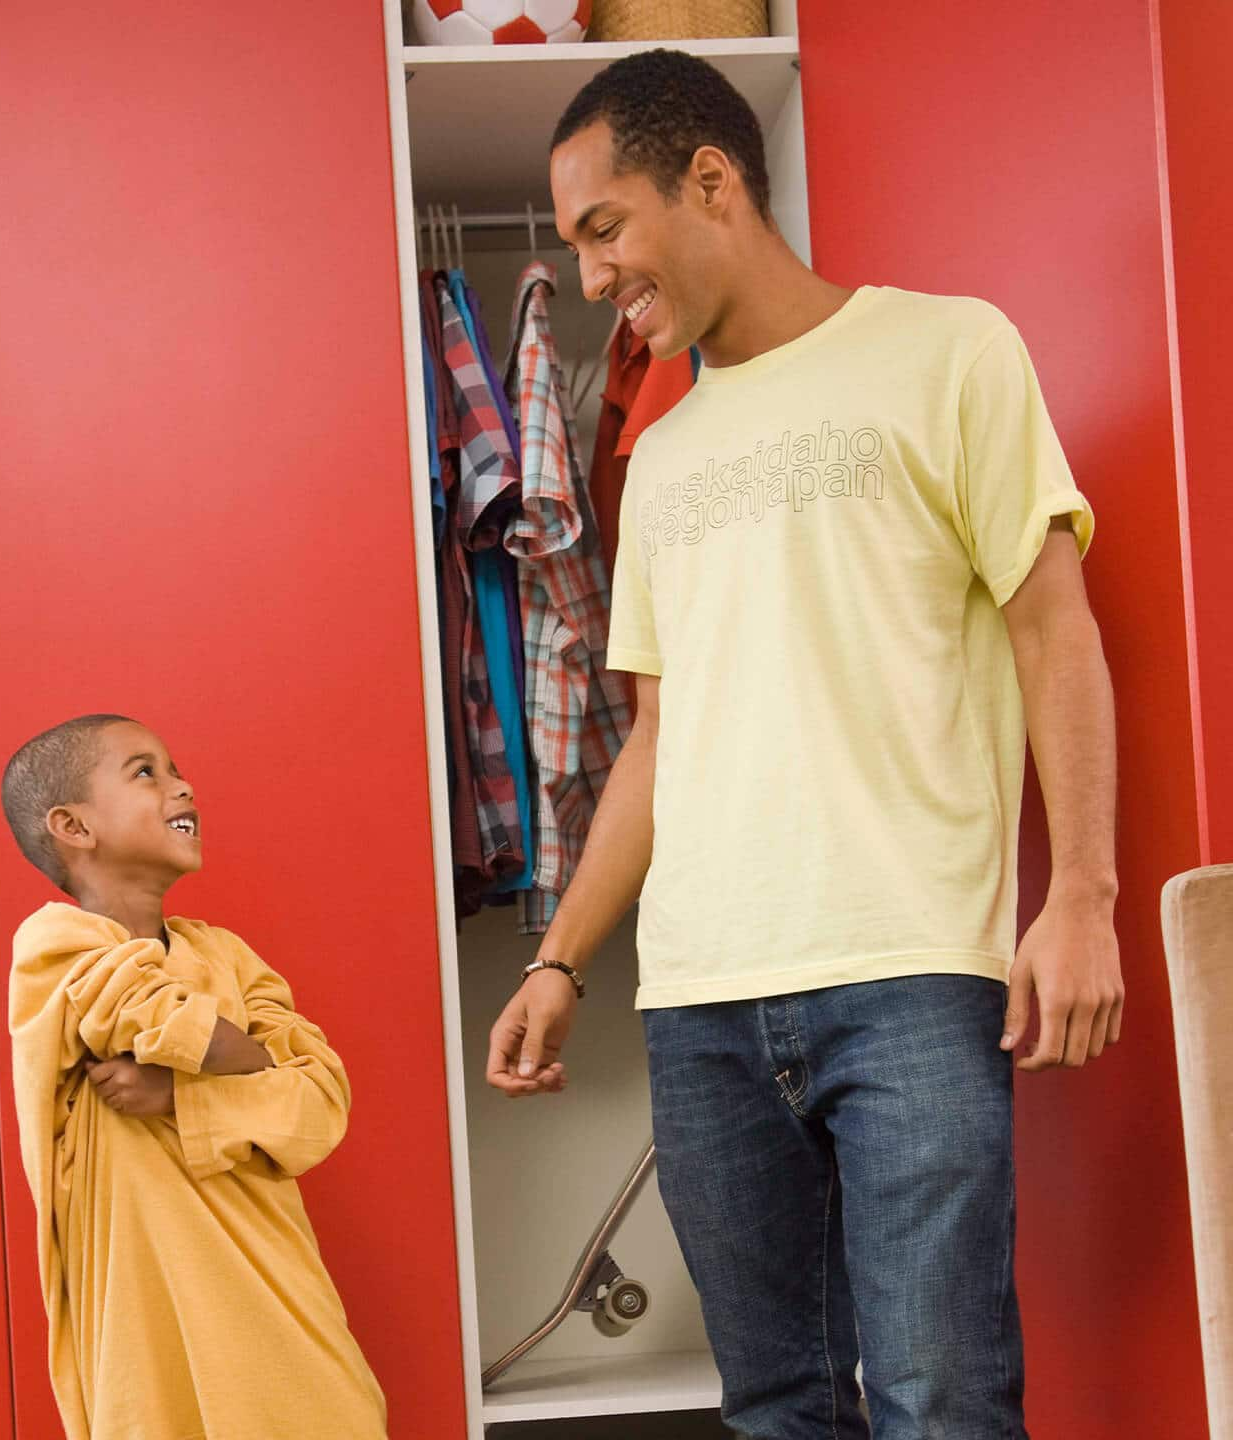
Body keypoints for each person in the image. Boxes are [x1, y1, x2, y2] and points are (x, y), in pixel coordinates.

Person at [486, 49, 1124, 1440]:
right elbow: (657, 739)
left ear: (709, 180)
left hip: (906, 975)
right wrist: (560, 957)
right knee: (775, 1407)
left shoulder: (949, 351)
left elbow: (1052, 632)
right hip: (701, 1000)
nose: (591, 279)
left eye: (605, 229)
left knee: (941, 1402)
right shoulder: (660, 459)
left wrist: (1082, 897)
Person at [1, 714, 386, 1440]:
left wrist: (178, 1095)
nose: (184, 784)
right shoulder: (57, 944)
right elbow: (157, 1017)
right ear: (73, 826)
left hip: (276, 1297)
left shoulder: (230, 957)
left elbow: (321, 1099)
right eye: (146, 771)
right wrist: (252, 1062)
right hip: (147, 1324)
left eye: (175, 767)